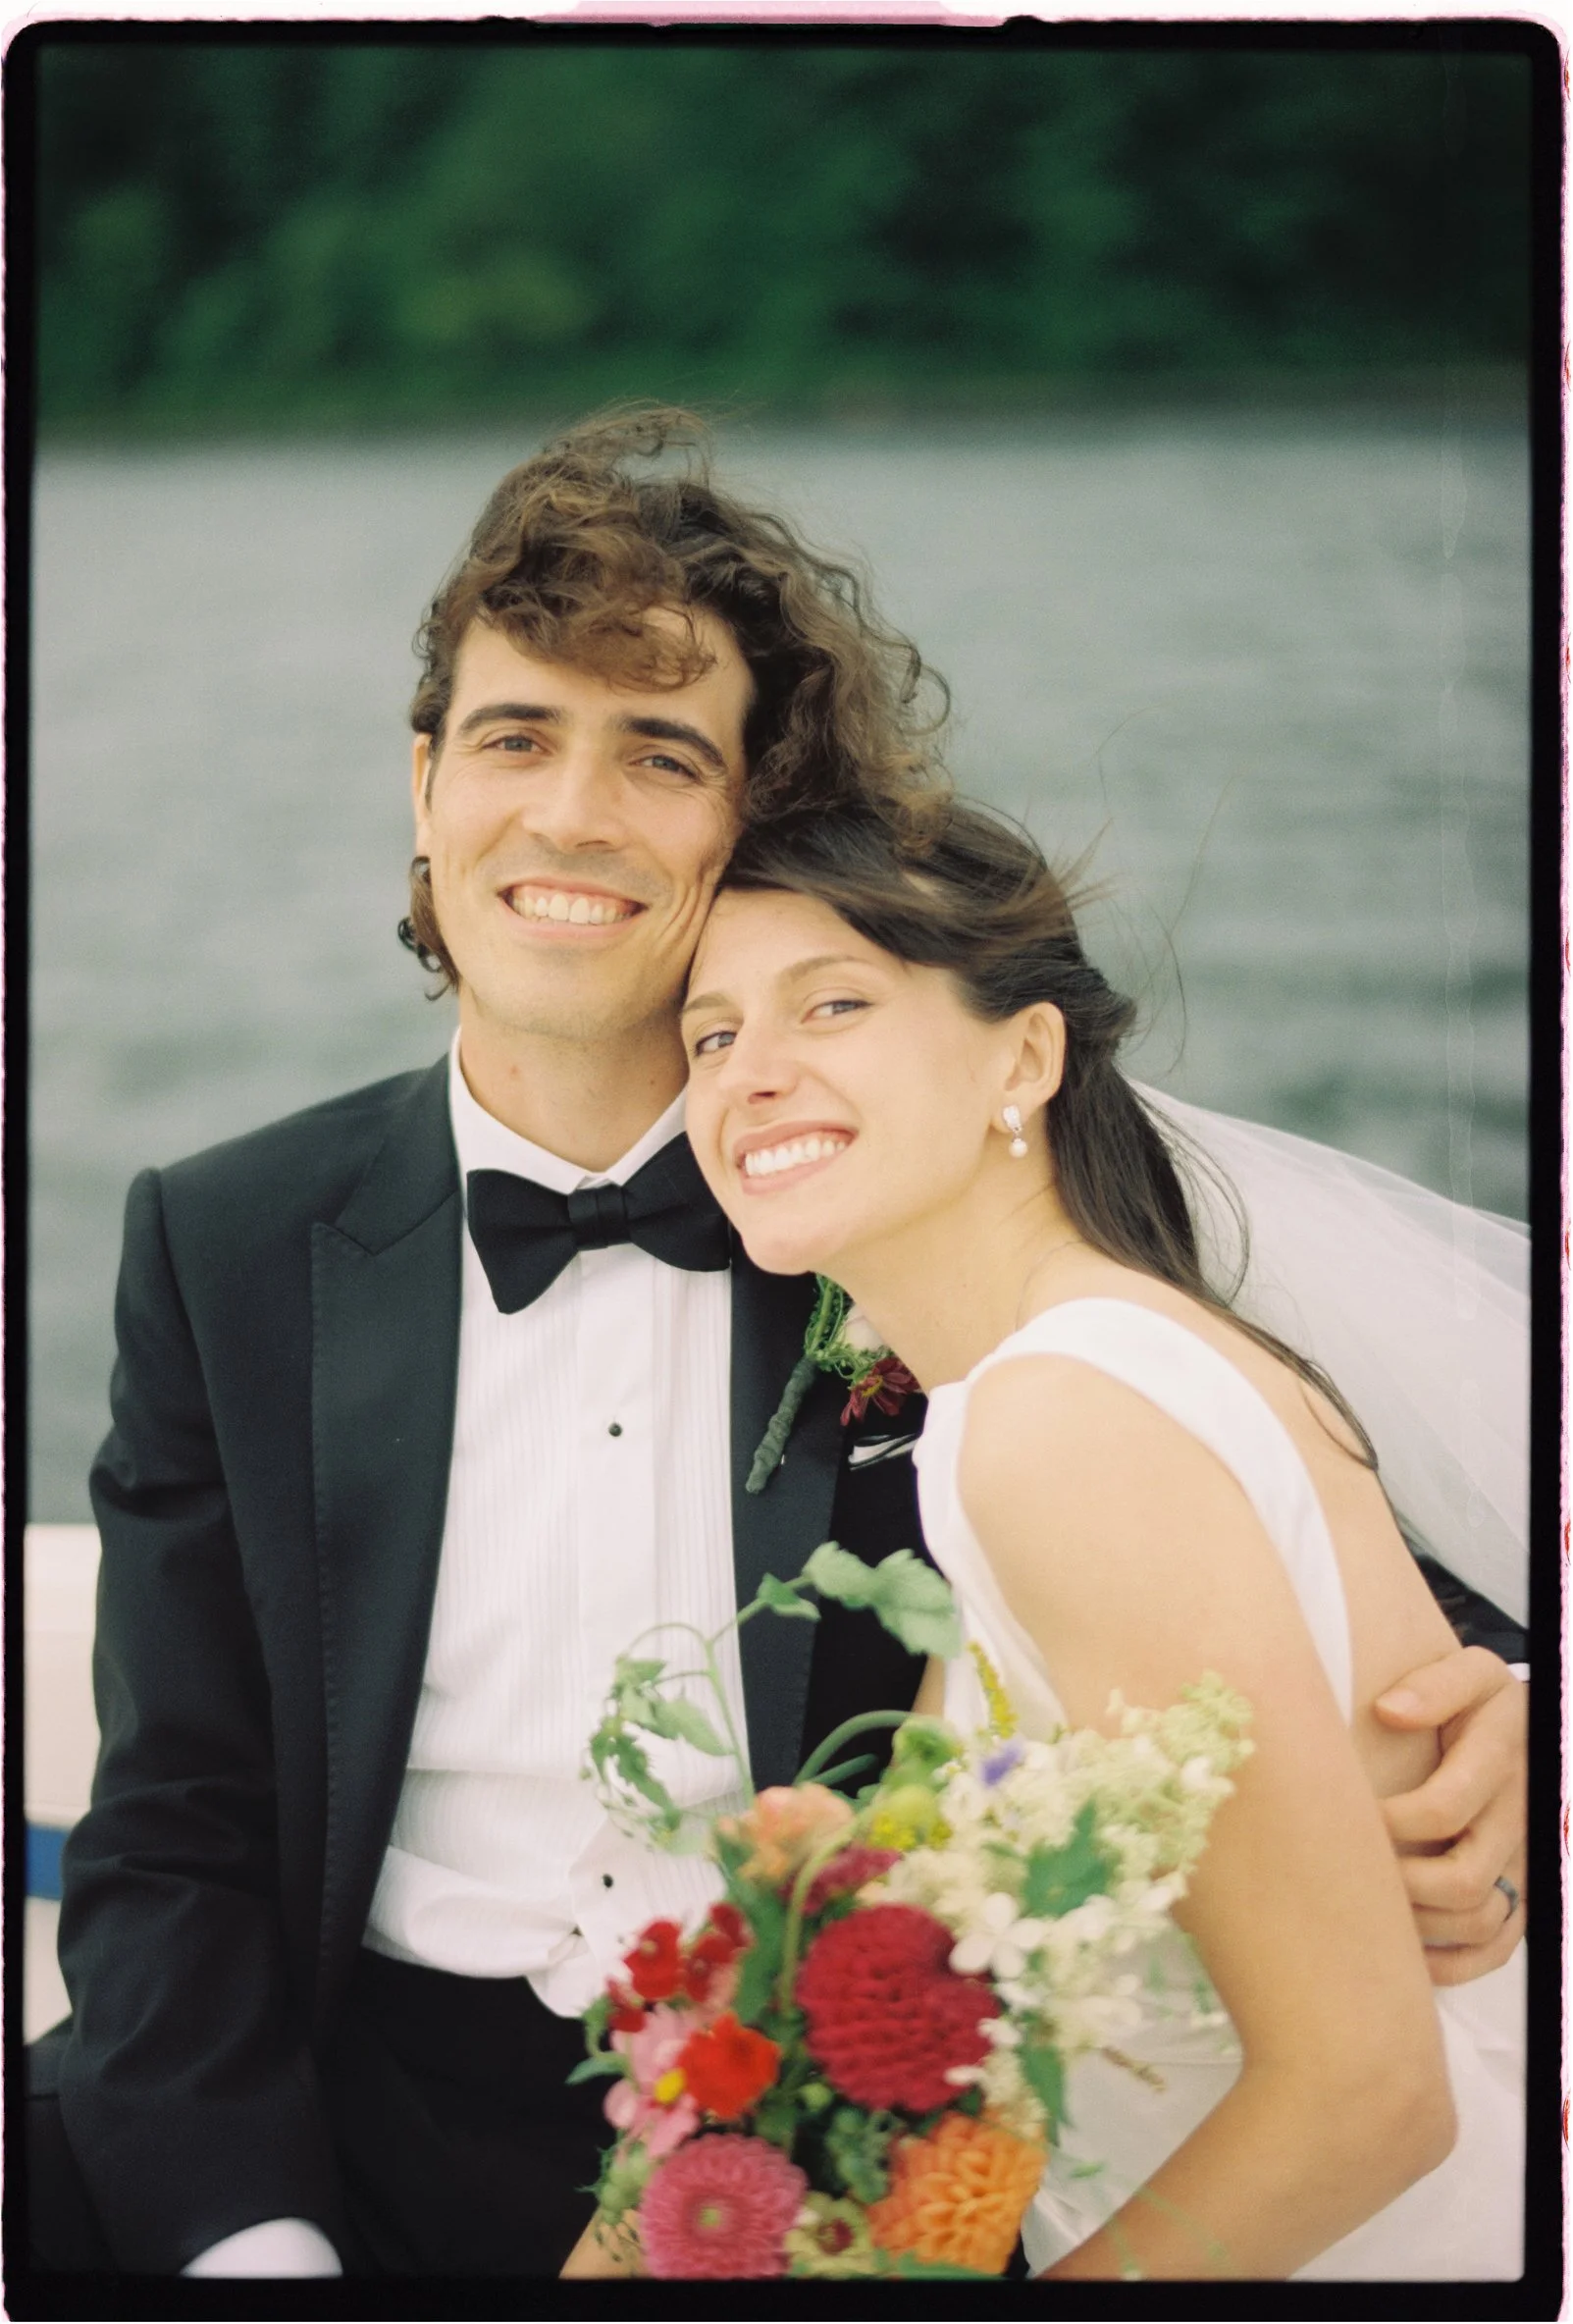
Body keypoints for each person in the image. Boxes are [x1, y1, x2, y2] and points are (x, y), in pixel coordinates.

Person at [28, 409, 1525, 2283]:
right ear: (425, 785)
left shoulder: (898, 1202)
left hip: (844, 2126)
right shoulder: (227, 1237)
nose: (570, 814)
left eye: (660, 755)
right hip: (353, 2097)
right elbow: (175, 1821)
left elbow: (1278, 1511)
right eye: (514, 738)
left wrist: (1510, 1719)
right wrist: (260, 2257)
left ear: (749, 822)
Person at [679, 794, 1528, 2280]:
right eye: (708, 1036)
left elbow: (1369, 2096)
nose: (749, 1073)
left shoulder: (1066, 1418)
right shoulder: (1023, 1396)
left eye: (833, 1003)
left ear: (1023, 1057)